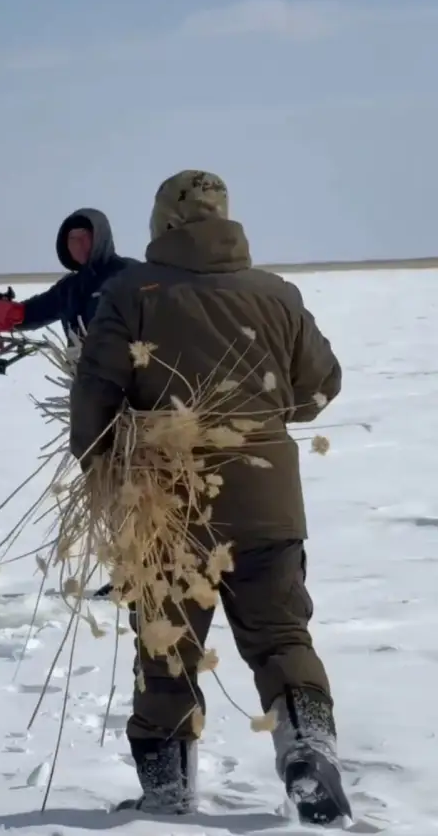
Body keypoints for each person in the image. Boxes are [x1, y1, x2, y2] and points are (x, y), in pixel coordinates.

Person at [68, 171, 351, 826]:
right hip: (267, 504)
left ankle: (166, 795)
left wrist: (103, 467)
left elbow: (94, 400)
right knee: (281, 635)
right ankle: (308, 750)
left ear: (163, 223)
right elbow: (320, 387)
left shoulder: (131, 292)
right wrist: (259, 415)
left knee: (165, 647)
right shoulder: (277, 294)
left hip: (166, 506)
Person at [0, 208, 136, 342]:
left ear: (100, 237)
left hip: (135, 383)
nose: (77, 245)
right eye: (72, 239)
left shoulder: (130, 274)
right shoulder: (69, 289)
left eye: (84, 237)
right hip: (88, 383)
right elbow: (24, 314)